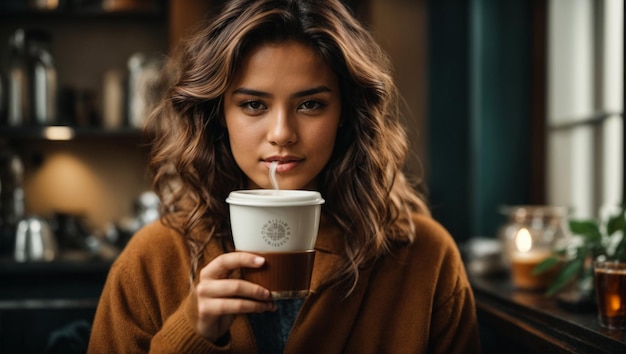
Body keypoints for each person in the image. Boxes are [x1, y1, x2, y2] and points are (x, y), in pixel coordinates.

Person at [87, 0, 481, 353]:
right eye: (254, 104)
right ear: (219, 115)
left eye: (310, 104)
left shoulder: (425, 259)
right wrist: (191, 334)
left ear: (345, 112)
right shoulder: (151, 261)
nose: (281, 133)